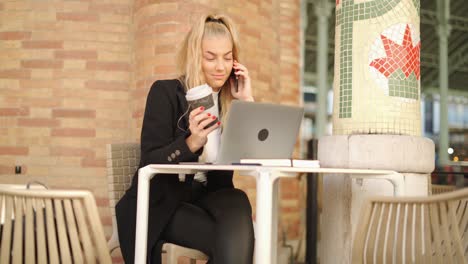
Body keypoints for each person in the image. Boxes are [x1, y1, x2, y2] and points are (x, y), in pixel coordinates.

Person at [115, 13, 255, 264]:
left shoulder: (227, 102)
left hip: (206, 196)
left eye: (228, 57)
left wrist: (246, 103)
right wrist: (191, 143)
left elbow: (241, 166)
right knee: (234, 240)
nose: (220, 67)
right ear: (194, 56)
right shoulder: (166, 92)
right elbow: (149, 161)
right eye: (210, 57)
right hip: (162, 202)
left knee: (238, 201)